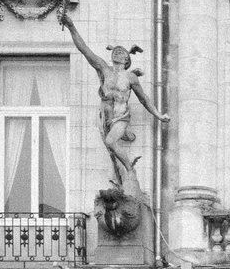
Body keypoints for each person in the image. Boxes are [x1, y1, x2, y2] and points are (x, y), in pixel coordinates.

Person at [60, 12, 170, 192]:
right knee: (110, 149)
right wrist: (72, 26)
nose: (118, 52)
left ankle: (129, 169)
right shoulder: (104, 68)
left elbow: (144, 99)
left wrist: (159, 115)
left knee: (111, 142)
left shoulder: (131, 77)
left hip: (121, 117)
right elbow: (85, 50)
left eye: (122, 52)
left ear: (127, 60)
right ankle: (119, 176)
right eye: (116, 50)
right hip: (105, 117)